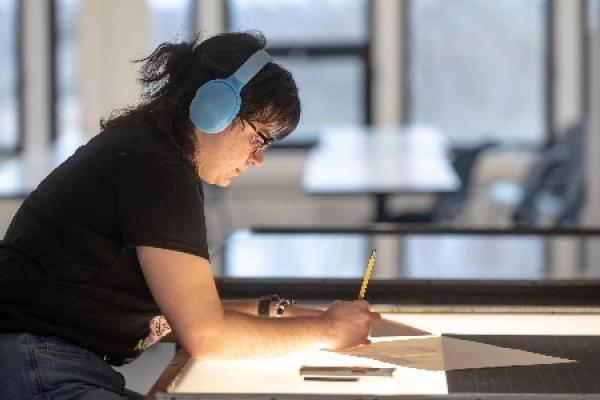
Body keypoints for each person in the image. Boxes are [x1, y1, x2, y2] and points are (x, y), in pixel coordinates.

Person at [0, 31, 380, 399]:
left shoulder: (146, 151)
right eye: (259, 137)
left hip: (39, 361)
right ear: (215, 107)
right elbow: (206, 336)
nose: (258, 159)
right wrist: (328, 330)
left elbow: (181, 313)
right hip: (38, 366)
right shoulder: (158, 171)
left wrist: (277, 312)